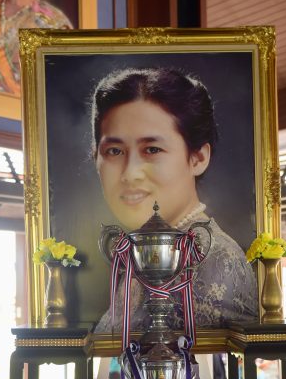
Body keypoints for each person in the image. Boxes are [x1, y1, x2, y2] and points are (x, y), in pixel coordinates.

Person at [91, 67, 257, 332]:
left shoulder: (213, 261)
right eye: (114, 151)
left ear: (198, 158)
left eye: (152, 149)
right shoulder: (145, 251)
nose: (130, 173)